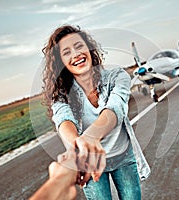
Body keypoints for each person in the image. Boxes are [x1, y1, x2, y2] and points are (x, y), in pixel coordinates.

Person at [42, 25, 151, 200]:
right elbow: (63, 119)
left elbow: (116, 108)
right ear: (61, 61)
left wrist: (90, 138)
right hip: (88, 163)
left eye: (79, 46)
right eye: (67, 52)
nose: (76, 54)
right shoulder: (62, 94)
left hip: (122, 156)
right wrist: (78, 144)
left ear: (89, 48)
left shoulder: (117, 76)